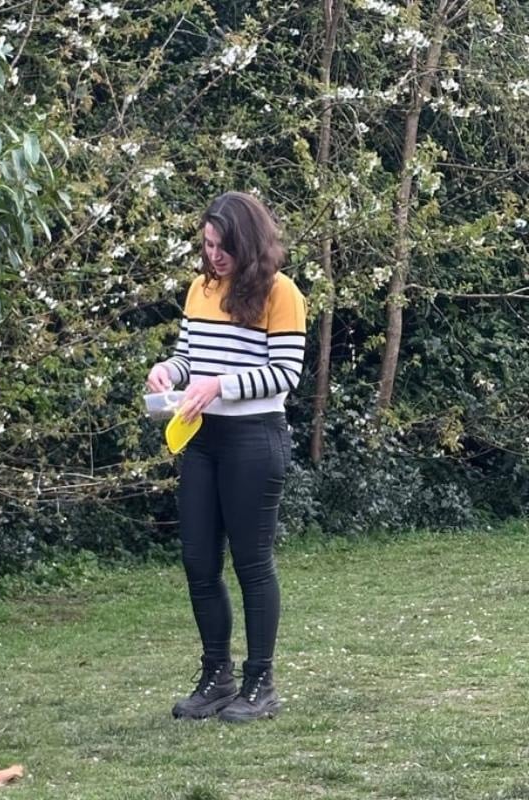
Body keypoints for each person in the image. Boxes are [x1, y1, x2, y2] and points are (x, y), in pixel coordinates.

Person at [146, 191, 307, 723]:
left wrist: (220, 386)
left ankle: (260, 683)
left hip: (255, 440)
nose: (213, 256)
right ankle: (218, 676)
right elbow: (192, 356)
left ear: (249, 244)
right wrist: (171, 372)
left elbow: (285, 374)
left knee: (253, 564)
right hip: (202, 439)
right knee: (198, 562)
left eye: (224, 247)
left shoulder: (281, 294)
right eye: (208, 244)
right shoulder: (200, 288)